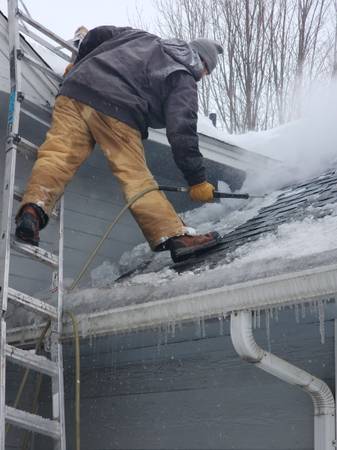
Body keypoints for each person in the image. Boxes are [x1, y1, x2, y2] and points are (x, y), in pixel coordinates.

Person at [15, 25, 223, 262]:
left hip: (74, 90)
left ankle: (33, 209)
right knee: (136, 178)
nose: (202, 76)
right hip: (118, 108)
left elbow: (97, 34)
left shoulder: (142, 37)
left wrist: (79, 63)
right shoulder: (183, 75)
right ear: (202, 64)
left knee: (58, 156)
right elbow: (182, 132)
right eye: (206, 72)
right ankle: (174, 235)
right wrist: (197, 180)